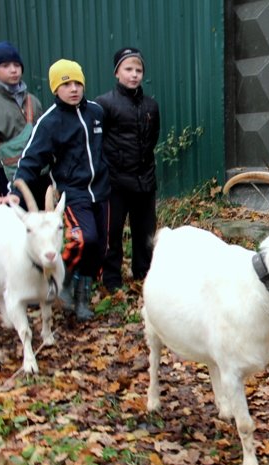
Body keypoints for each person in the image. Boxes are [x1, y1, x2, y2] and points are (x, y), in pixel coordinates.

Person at [5, 59, 110, 321]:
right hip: (71, 192)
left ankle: (82, 297)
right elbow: (30, 159)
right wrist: (15, 188)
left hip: (101, 190)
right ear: (55, 89)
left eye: (77, 83)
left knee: (99, 249)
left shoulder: (96, 112)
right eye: (66, 84)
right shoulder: (49, 122)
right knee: (84, 239)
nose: (73, 89)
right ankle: (61, 282)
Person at [95, 47, 160, 292]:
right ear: (117, 72)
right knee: (112, 233)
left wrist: (144, 170)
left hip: (145, 181)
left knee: (145, 233)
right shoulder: (104, 104)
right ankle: (111, 279)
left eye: (138, 70)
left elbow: (152, 139)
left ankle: (143, 273)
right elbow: (98, 142)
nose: (134, 75)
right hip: (116, 183)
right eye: (128, 69)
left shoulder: (151, 106)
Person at [0, 41, 48, 205]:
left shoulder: (33, 101)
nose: (13, 70)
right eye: (5, 66)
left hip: (38, 175)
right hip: (4, 178)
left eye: (17, 65)